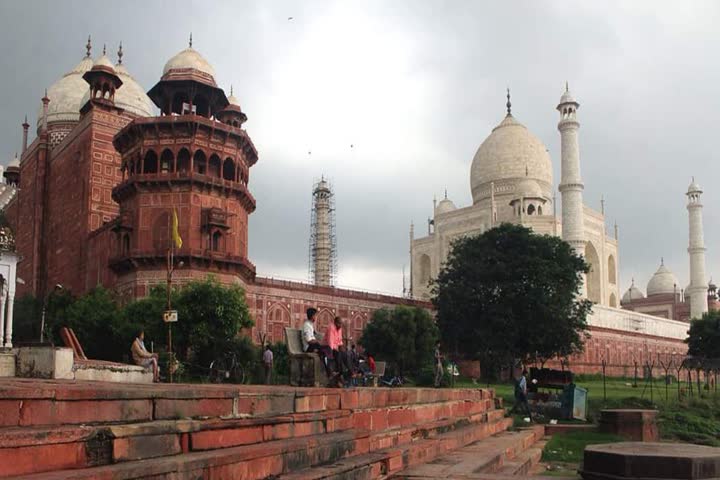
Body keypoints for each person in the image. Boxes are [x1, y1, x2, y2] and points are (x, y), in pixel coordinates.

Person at [302, 308, 337, 381]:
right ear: (312, 316)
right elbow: (309, 341)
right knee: (324, 351)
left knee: (328, 349)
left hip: (313, 345)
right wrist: (318, 342)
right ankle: (329, 372)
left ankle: (331, 371)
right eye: (315, 315)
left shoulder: (310, 325)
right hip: (309, 347)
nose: (316, 317)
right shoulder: (306, 325)